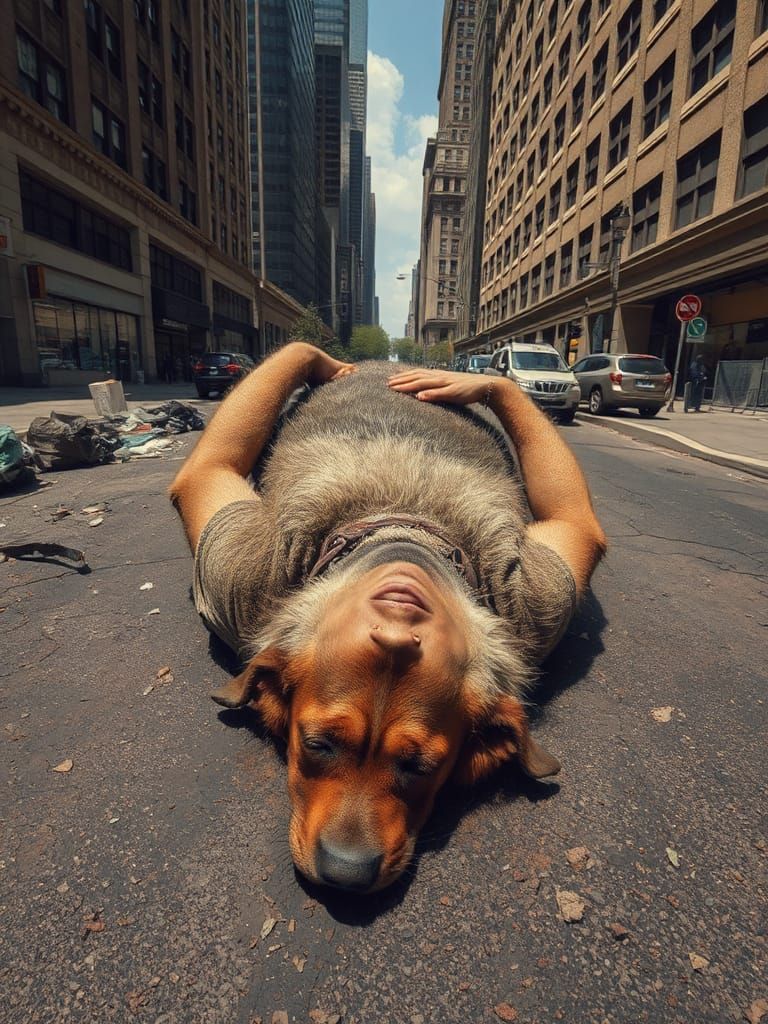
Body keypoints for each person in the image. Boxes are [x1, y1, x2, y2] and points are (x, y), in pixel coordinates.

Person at [169, 343, 606, 892]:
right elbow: (575, 522)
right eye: (416, 763)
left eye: (323, 741)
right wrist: (501, 395)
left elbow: (206, 471)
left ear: (279, 679)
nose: (396, 634)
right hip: (455, 408)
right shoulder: (522, 606)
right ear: (484, 724)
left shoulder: (257, 580)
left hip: (335, 391)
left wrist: (302, 360)